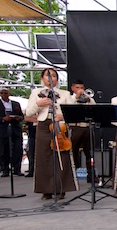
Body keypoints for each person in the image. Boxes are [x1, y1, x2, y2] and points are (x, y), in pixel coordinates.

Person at [25, 68, 77, 200]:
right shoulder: (36, 93)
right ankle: (45, 189)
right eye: (47, 76)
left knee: (61, 156)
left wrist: (62, 116)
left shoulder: (65, 94)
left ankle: (61, 188)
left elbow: (73, 113)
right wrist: (38, 104)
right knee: (44, 157)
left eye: (53, 76)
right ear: (42, 79)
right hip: (43, 125)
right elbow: (29, 112)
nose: (50, 78)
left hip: (60, 125)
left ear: (57, 79)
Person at [0, 88, 24, 177]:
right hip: (2, 129)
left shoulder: (16, 104)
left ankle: (17, 169)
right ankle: (5, 169)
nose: (4, 94)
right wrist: (2, 119)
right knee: (3, 150)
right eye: (2, 93)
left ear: (9, 94)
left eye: (6, 93)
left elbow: (21, 116)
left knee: (17, 149)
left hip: (15, 129)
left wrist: (18, 118)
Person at [68, 80, 95, 183]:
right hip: (75, 127)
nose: (80, 90)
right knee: (73, 153)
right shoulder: (70, 98)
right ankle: (71, 176)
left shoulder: (88, 98)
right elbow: (68, 107)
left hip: (87, 127)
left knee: (90, 153)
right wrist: (76, 97)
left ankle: (91, 176)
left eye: (82, 88)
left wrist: (89, 100)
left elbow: (95, 108)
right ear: (73, 88)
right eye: (78, 88)